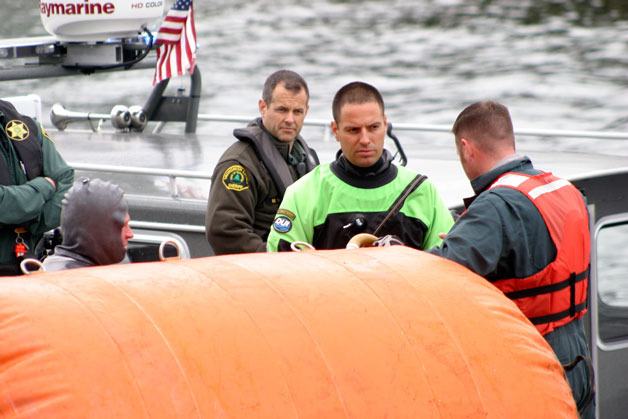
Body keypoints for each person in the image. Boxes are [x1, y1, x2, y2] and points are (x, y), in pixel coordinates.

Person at [429, 101, 594, 418]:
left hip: (533, 357)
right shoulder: (563, 188)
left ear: (466, 148)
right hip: (578, 355)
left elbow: (440, 272)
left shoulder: (497, 205)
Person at [267, 81, 453, 251]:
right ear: (335, 131)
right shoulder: (304, 193)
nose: (365, 140)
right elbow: (282, 266)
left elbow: (447, 263)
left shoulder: (421, 191)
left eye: (373, 127)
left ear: (385, 125)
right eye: (353, 130)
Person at [205, 69, 319, 255]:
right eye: (282, 109)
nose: (290, 119)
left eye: (297, 111)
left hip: (301, 264)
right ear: (263, 107)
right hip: (261, 270)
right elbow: (225, 232)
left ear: (306, 111)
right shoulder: (239, 165)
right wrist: (274, 258)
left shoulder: (308, 159)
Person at [0, 99, 74, 276]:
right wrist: (42, 187)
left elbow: (65, 181)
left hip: (29, 265)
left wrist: (31, 219)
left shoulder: (27, 126)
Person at [43, 178, 134, 271]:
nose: (130, 234)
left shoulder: (51, 269)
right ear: (100, 231)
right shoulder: (81, 281)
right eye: (123, 226)